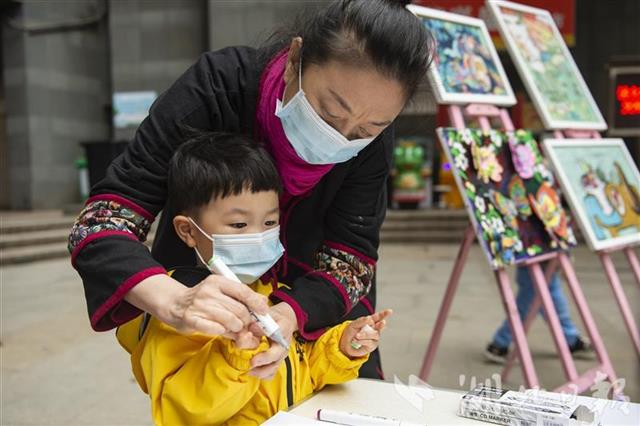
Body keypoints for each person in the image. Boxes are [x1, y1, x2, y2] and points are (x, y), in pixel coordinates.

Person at [68, 0, 433, 379]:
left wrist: (287, 315)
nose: (338, 139)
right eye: (327, 112)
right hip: (205, 300)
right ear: (295, 59)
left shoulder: (374, 143)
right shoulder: (217, 87)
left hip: (320, 311)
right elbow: (103, 219)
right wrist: (174, 299)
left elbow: (352, 255)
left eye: (365, 130)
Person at [116, 133, 392, 425]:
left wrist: (341, 347)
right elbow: (185, 408)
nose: (257, 236)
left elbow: (303, 369)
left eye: (270, 222)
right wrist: (236, 356)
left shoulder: (273, 295)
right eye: (238, 224)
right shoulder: (182, 310)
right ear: (188, 230)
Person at [485, 266, 593, 364]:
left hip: (546, 259)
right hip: (533, 259)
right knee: (527, 305)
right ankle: (499, 344)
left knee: (554, 302)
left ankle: (570, 339)